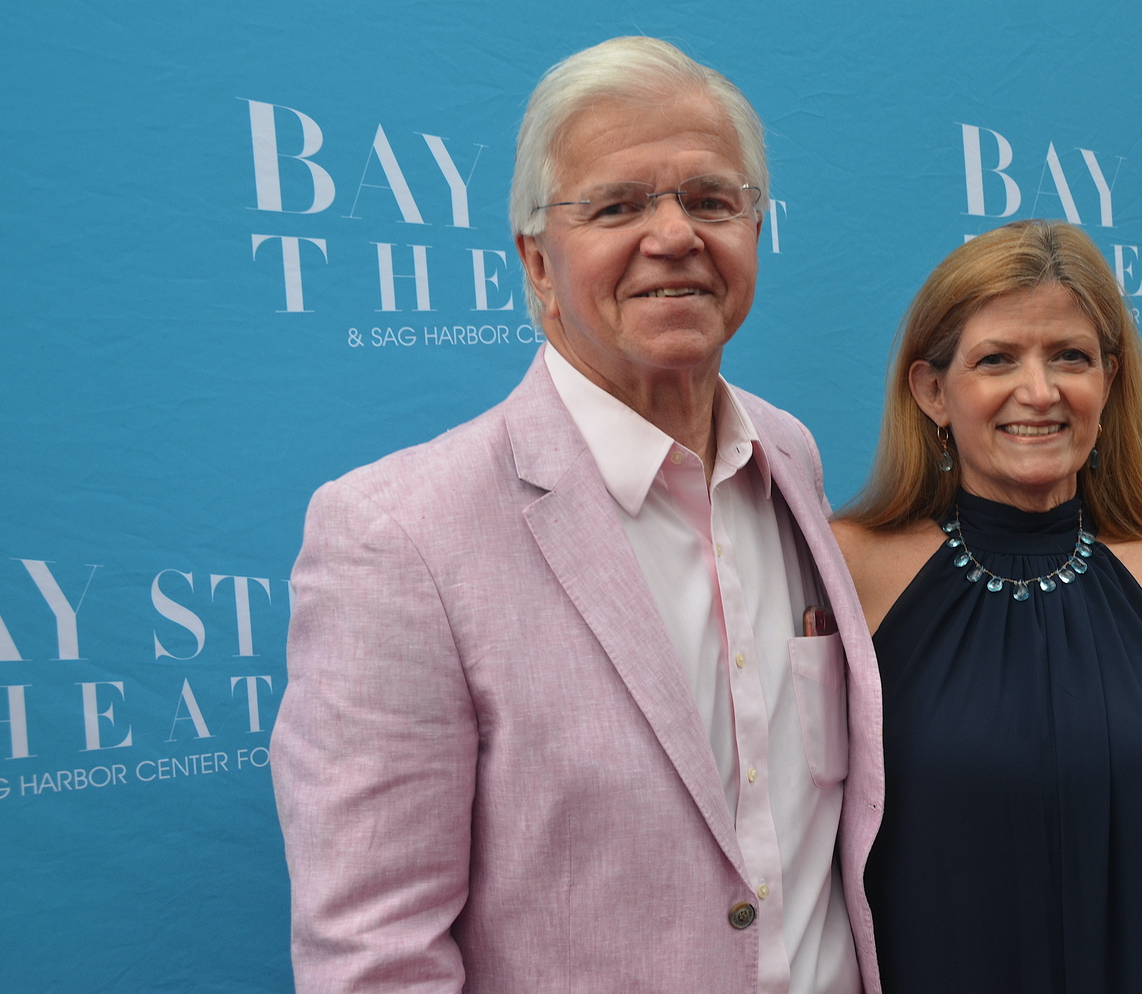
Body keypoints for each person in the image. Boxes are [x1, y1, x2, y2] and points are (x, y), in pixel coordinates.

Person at [271, 37, 884, 994]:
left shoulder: (788, 456)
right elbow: (373, 955)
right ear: (539, 263)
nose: (676, 235)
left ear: (756, 231)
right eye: (618, 205)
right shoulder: (397, 537)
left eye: (713, 200)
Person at [831, 220, 1142, 993]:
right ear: (932, 391)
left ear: (1110, 381)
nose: (1040, 391)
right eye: (996, 360)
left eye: (1070, 358)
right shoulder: (849, 571)